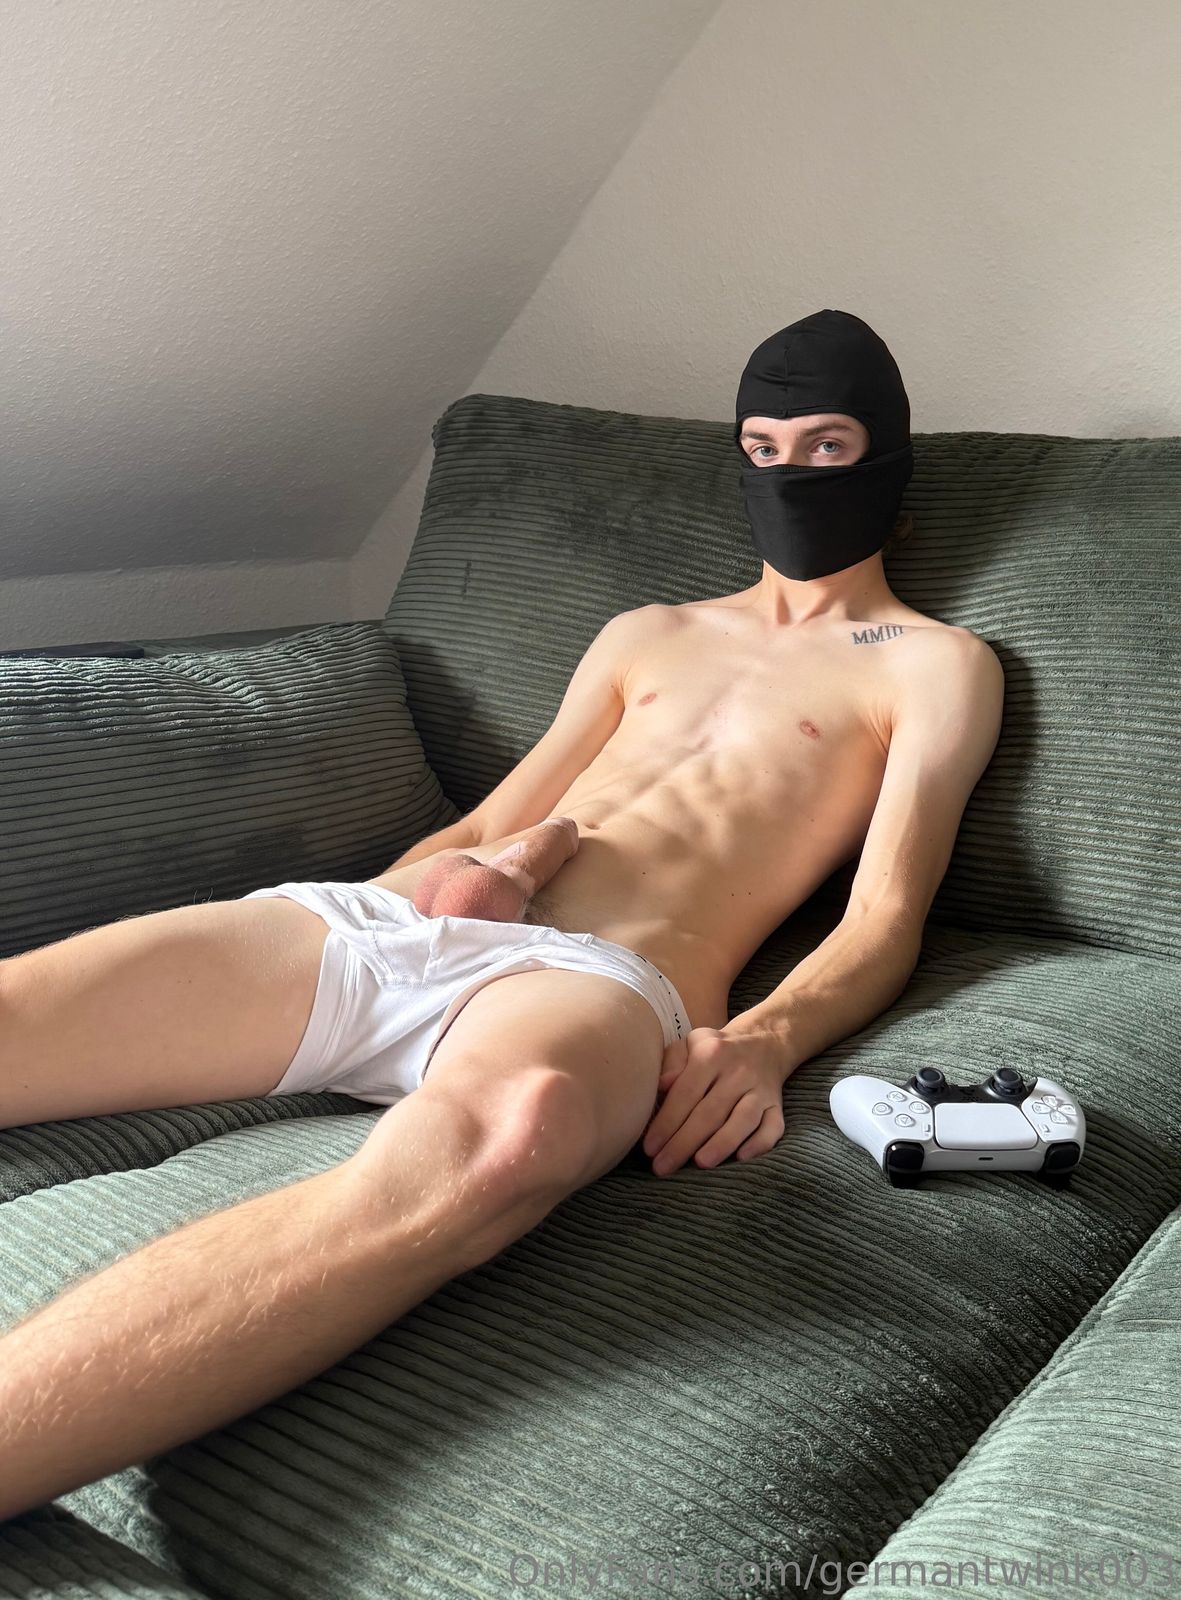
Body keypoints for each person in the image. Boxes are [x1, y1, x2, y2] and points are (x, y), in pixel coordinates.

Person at [0, 309, 1004, 1520]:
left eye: (825, 445)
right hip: (419, 911)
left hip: (600, 974)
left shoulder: (932, 663)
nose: (788, 472)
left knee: (505, 1142)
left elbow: (885, 914)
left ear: (885, 456)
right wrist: (381, 910)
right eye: (761, 446)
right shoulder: (647, 632)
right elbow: (492, 816)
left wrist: (760, 1041)